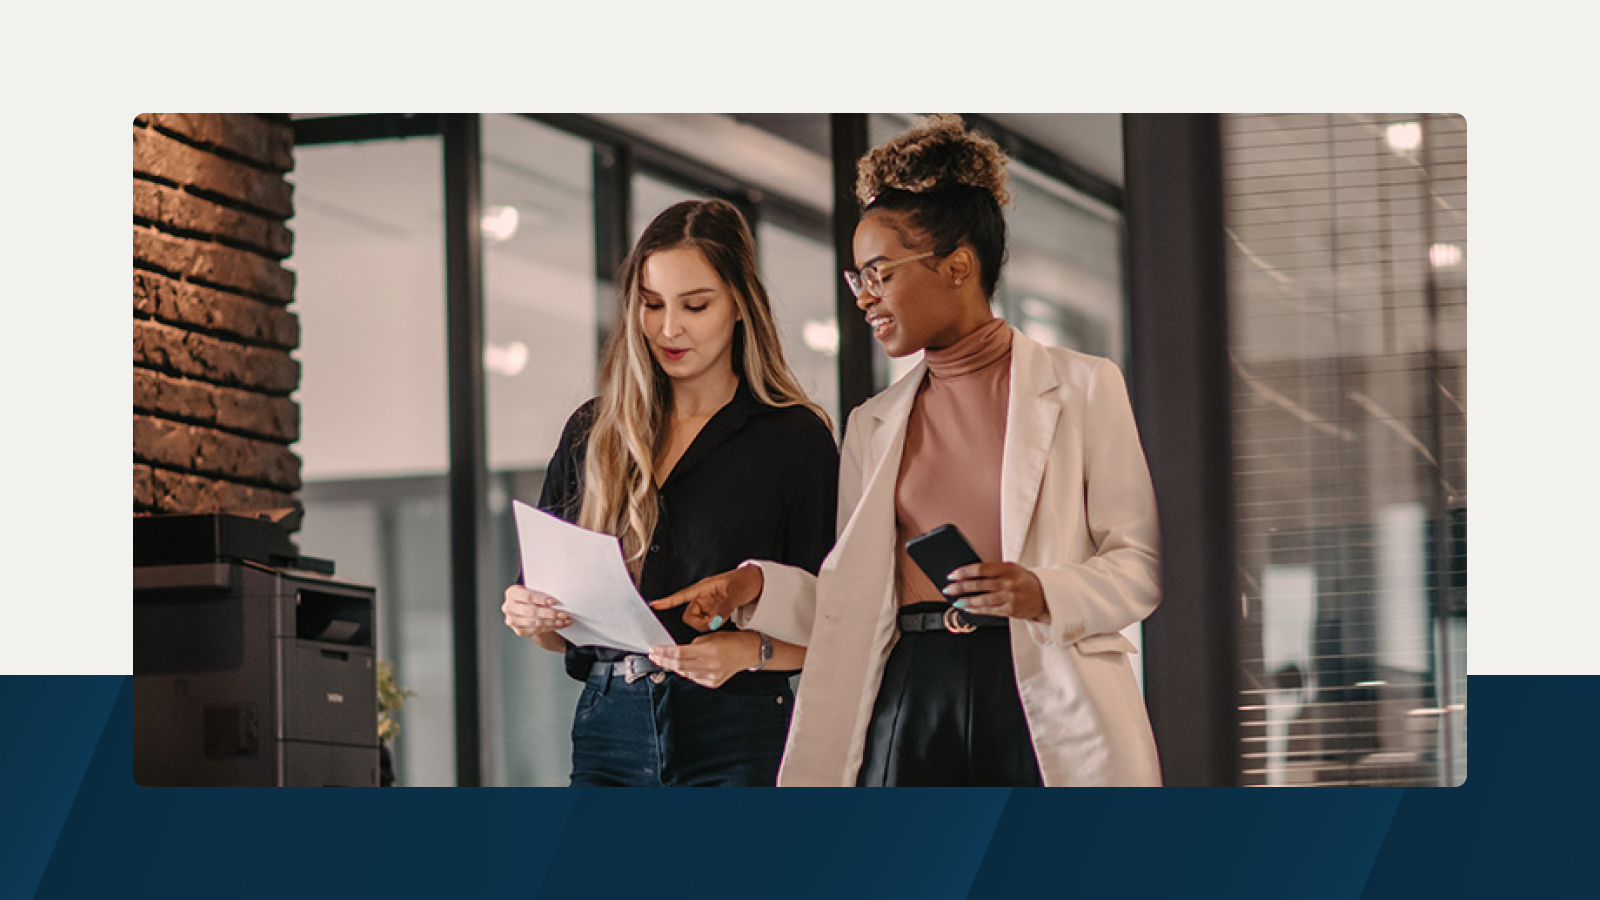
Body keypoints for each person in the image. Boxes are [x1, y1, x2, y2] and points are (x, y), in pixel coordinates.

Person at [653, 115, 1162, 786]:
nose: (865, 297)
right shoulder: (873, 423)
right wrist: (755, 587)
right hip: (910, 692)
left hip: (1041, 682)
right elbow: (853, 598)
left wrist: (1044, 590)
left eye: (878, 274)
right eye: (856, 278)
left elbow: (1141, 564)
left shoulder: (1085, 387)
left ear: (957, 266)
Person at [501, 199, 838, 787]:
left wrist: (745, 650)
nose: (668, 328)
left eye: (695, 305)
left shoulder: (795, 439)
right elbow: (563, 635)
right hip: (609, 727)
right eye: (651, 305)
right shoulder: (593, 431)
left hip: (737, 729)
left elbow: (840, 621)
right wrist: (534, 617)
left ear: (740, 305)